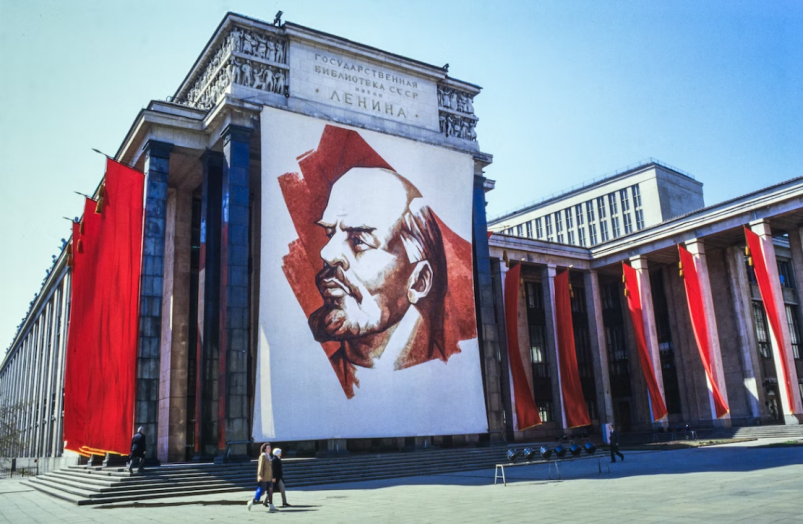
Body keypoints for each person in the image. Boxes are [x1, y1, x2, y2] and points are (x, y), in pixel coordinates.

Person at [309, 167, 453, 393]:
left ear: (419, 281)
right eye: (330, 234)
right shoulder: (313, 381)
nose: (327, 254)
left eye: (359, 240)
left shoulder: (442, 381)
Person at [248, 443, 277, 512]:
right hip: (264, 477)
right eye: (268, 448)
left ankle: (271, 505)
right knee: (262, 492)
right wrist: (260, 475)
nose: (270, 449)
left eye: (270, 448)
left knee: (270, 490)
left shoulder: (269, 456)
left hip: (269, 477)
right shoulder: (263, 456)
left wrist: (273, 477)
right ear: (265, 449)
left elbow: (271, 468)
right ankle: (251, 502)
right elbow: (260, 466)